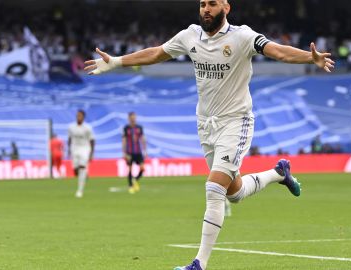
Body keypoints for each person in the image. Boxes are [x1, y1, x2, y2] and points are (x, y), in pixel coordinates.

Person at [84, 0, 334, 268]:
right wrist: (117, 62)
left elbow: (278, 51)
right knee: (233, 193)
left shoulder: (243, 37)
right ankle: (278, 173)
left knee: (214, 187)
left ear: (226, 7)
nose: (206, 9)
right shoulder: (189, 36)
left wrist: (310, 57)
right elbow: (157, 53)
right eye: (202, 4)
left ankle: (198, 264)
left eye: (212, 4)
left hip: (236, 122)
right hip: (206, 125)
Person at [68, 110, 95, 198]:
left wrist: (91, 154)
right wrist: (69, 150)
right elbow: (69, 139)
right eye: (77, 115)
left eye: (80, 116)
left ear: (83, 117)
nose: (78, 117)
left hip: (84, 148)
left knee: (82, 167)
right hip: (74, 149)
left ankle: (80, 190)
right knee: (76, 171)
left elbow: (92, 140)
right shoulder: (71, 127)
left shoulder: (88, 128)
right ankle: (85, 173)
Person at [122, 112, 147, 194]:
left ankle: (135, 180)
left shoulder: (139, 128)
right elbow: (124, 140)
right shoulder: (126, 128)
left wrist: (145, 150)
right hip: (129, 152)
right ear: (129, 118)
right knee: (130, 169)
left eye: (134, 117)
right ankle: (130, 186)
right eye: (131, 117)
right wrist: (124, 152)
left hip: (138, 152)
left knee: (142, 168)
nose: (133, 118)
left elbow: (143, 139)